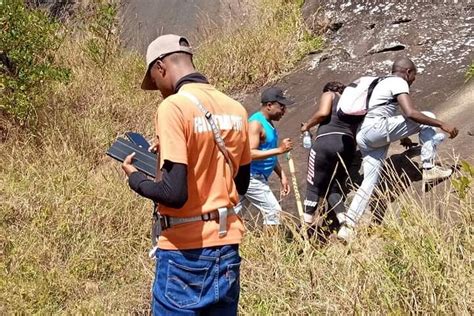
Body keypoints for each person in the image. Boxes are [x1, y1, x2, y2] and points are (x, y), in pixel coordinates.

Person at [121, 34, 251, 315]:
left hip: (185, 254)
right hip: (227, 247)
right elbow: (240, 183)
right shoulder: (236, 108)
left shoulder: (174, 107)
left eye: (155, 82)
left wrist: (134, 177)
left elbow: (173, 194)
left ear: (161, 67)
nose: (159, 90)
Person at [338, 57, 459, 241]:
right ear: (408, 72)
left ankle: (348, 226)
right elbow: (410, 113)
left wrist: (403, 137)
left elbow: (388, 112)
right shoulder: (398, 82)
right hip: (376, 130)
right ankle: (429, 167)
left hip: (364, 135)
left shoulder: (380, 83)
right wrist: (442, 124)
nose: (412, 81)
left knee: (369, 182)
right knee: (427, 117)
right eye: (413, 77)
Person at [300, 81, 360, 237]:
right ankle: (345, 226)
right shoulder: (354, 104)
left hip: (326, 142)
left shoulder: (330, 94)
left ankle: (305, 229)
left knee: (313, 185)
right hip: (348, 146)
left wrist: (307, 126)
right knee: (333, 187)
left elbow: (323, 113)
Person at [236, 87, 293, 228]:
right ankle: (272, 249)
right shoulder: (256, 123)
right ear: (269, 105)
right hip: (251, 176)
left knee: (235, 214)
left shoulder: (269, 124)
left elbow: (268, 153)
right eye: (281, 107)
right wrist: (280, 150)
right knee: (274, 213)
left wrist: (282, 175)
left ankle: (224, 241)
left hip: (256, 177)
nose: (284, 111)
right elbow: (250, 153)